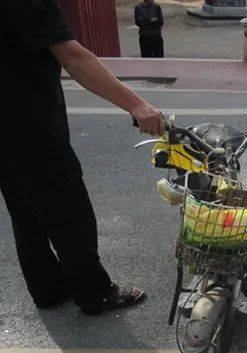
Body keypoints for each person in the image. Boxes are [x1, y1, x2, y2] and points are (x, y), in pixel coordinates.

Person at [0, 0, 164, 315]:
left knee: (24, 209)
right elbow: (72, 56)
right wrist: (136, 104)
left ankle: (47, 289)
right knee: (68, 209)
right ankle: (94, 292)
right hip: (30, 124)